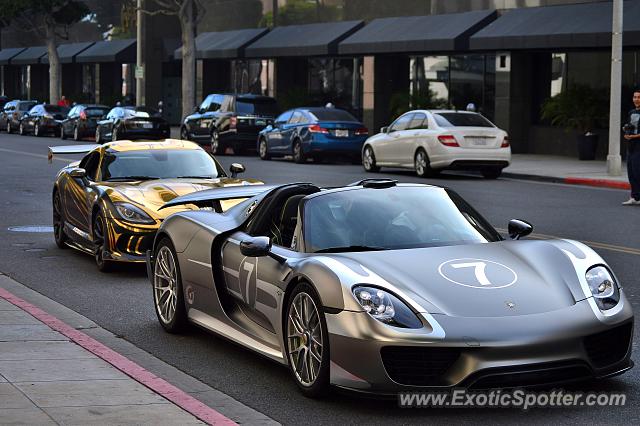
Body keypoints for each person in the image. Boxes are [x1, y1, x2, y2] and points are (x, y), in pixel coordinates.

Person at [622, 89, 640, 205]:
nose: (636, 99)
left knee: (638, 171)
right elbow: (630, 126)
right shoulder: (631, 112)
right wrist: (626, 131)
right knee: (631, 171)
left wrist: (634, 136)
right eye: (635, 97)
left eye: (638, 97)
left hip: (639, 145)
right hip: (631, 145)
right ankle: (634, 197)